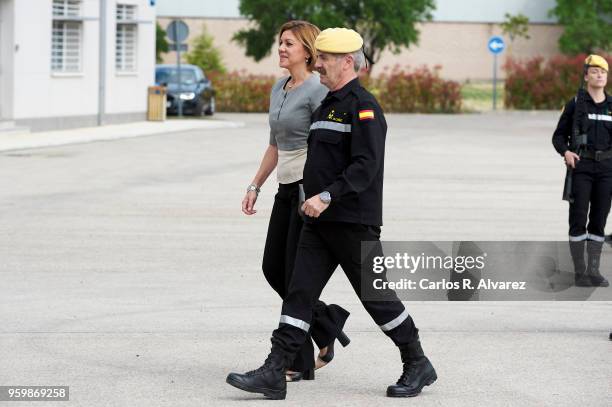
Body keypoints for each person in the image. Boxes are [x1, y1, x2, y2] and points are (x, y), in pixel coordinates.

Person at [228, 27, 437, 400]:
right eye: (317, 57)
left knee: (378, 299)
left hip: (353, 222)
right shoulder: (328, 104)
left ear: (346, 62)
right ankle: (275, 370)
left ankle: (417, 361)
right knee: (298, 292)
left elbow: (365, 166)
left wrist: (326, 195)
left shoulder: (364, 106)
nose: (318, 63)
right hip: (318, 221)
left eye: (324, 58)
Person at [241, 20, 351, 382]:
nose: (282, 49)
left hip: (308, 187)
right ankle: (327, 322)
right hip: (285, 188)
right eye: (280, 43)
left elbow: (328, 141)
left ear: (307, 50)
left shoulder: (319, 89)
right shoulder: (280, 87)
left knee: (294, 275)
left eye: (289, 43)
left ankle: (296, 360)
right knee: (275, 269)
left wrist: (325, 192)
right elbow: (274, 143)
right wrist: (255, 184)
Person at [552, 54, 611, 288]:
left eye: (603, 72)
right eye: (594, 71)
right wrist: (566, 152)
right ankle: (580, 272)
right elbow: (558, 136)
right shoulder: (575, 104)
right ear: (586, 76)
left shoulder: (611, 105)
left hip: (607, 170)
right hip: (581, 168)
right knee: (578, 219)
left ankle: (594, 271)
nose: (599, 75)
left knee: (598, 220)